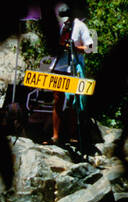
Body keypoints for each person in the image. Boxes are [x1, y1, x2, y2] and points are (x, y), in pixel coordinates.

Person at [48, 4, 94, 146]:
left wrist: (75, 48)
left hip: (73, 67)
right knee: (57, 99)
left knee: (73, 101)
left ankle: (73, 134)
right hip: (59, 66)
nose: (65, 21)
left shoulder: (80, 26)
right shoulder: (60, 26)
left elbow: (90, 48)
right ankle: (55, 135)